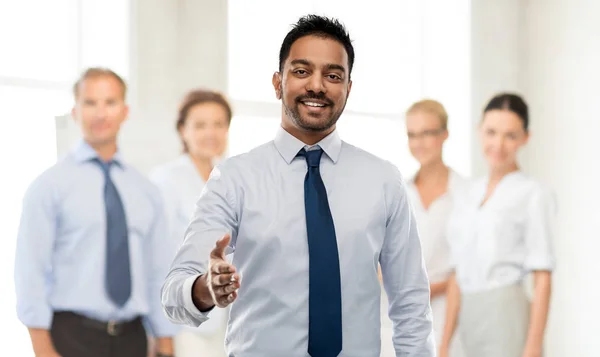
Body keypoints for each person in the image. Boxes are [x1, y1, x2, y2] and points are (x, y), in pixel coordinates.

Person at [161, 14, 436, 357]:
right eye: (302, 71)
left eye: (333, 75)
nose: (317, 86)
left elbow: (411, 302)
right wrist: (206, 289)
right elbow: (174, 293)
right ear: (278, 83)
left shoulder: (382, 180)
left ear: (348, 88)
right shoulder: (234, 179)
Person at [14, 68, 176, 357]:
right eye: (90, 103)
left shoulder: (146, 191)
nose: (101, 113)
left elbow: (158, 270)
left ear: (125, 111)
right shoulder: (49, 186)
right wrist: (42, 350)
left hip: (134, 339)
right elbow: (31, 273)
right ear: (75, 111)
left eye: (110, 102)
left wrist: (165, 342)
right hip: (71, 338)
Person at [439, 93, 555, 357]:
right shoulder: (468, 193)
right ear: (479, 131)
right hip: (469, 317)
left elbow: (543, 275)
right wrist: (444, 344)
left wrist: (534, 346)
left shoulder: (533, 194)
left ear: (526, 138)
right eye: (491, 132)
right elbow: (457, 273)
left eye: (510, 135)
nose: (498, 144)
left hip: (507, 315)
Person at [149, 89, 232, 357]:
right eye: (200, 125)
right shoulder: (165, 180)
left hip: (228, 320)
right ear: (183, 130)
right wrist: (162, 334)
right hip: (182, 323)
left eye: (219, 124)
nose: (211, 132)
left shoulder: (231, 178)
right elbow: (156, 260)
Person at [381, 100, 467, 356]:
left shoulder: (466, 194)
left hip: (445, 315)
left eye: (427, 133)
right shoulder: (397, 193)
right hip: (395, 315)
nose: (419, 143)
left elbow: (463, 269)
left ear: (445, 134)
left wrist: (427, 289)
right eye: (412, 135)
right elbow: (378, 257)